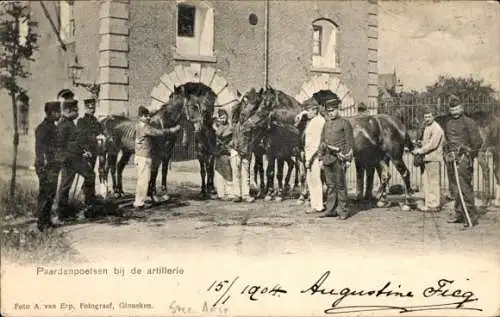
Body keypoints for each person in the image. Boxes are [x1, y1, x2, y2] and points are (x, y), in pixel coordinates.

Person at [443, 95, 482, 227]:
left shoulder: (469, 122)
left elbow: (477, 143)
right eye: (452, 109)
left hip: (464, 160)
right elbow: (447, 143)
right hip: (451, 160)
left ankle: (470, 216)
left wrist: (466, 152)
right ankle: (459, 213)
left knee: (465, 188)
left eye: (456, 108)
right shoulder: (448, 123)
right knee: (455, 189)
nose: (454, 111)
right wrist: (447, 154)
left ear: (462, 108)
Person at [133, 106, 181, 209]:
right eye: (145, 116)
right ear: (140, 117)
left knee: (143, 180)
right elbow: (158, 132)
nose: (148, 118)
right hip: (144, 156)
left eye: (148, 116)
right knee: (143, 180)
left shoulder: (138, 125)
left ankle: (140, 201)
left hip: (142, 156)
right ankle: (139, 203)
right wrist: (173, 130)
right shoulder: (144, 127)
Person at [56, 99, 96, 221]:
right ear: (68, 111)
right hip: (70, 159)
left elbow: (75, 141)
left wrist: (83, 151)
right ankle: (87, 207)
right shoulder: (64, 124)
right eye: (76, 110)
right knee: (88, 176)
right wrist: (80, 152)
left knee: (66, 185)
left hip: (73, 157)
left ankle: (64, 212)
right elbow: (61, 144)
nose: (78, 112)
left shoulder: (69, 122)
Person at [318, 96, 354, 220]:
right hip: (327, 158)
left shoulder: (344, 123)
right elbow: (322, 141)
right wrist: (320, 158)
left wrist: (348, 160)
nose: (331, 113)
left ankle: (343, 211)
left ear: (338, 110)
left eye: (332, 110)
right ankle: (330, 209)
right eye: (328, 111)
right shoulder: (326, 124)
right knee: (330, 186)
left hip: (339, 159)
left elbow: (349, 143)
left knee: (340, 186)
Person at [34, 101, 62, 231]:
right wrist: (43, 165)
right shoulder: (43, 128)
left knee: (50, 194)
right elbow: (40, 149)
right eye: (58, 112)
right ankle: (41, 223)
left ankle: (47, 221)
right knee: (45, 194)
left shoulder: (53, 126)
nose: (60, 114)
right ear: (52, 113)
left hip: (53, 165)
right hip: (46, 166)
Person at [412, 105, 445, 212]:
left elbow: (432, 145)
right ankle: (429, 203)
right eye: (425, 117)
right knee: (426, 182)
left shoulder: (437, 128)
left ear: (434, 116)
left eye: (429, 117)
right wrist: (419, 143)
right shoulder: (427, 127)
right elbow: (426, 142)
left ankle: (434, 205)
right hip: (426, 159)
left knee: (433, 182)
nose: (427, 119)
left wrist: (419, 151)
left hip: (433, 158)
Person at [302, 103, 326, 214]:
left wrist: (310, 159)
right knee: (312, 180)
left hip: (314, 155)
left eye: (309, 110)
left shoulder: (318, 121)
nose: (308, 113)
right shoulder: (314, 121)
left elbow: (317, 142)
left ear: (315, 110)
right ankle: (315, 204)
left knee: (315, 180)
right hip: (310, 155)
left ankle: (318, 205)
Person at [230, 120, 255, 203]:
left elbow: (251, 140)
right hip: (235, 151)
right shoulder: (233, 125)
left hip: (246, 152)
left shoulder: (250, 125)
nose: (243, 116)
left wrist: (248, 151)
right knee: (236, 173)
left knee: (245, 173)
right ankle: (237, 194)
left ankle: (245, 194)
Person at [212, 109, 234, 200]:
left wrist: (216, 128)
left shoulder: (229, 127)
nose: (222, 119)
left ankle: (229, 193)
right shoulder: (218, 126)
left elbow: (222, 135)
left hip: (225, 152)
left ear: (227, 117)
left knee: (227, 173)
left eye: (224, 117)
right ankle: (220, 193)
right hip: (218, 153)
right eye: (220, 118)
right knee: (218, 173)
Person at [76, 98, 103, 170]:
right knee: (87, 173)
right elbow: (80, 137)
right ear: (85, 108)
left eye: (93, 108)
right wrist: (85, 150)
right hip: (86, 151)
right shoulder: (81, 121)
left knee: (91, 172)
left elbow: (99, 132)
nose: (92, 110)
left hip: (94, 150)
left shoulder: (96, 121)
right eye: (90, 108)